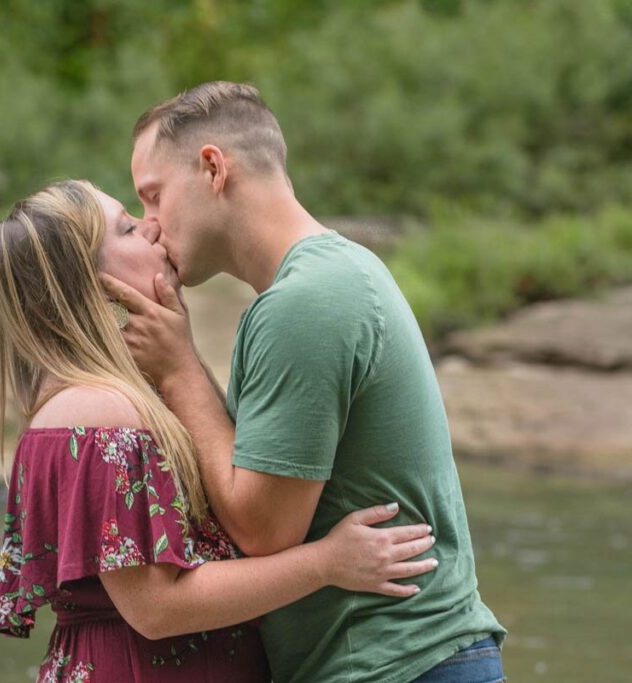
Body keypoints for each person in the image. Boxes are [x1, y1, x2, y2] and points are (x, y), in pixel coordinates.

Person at [100, 81, 507, 683]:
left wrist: (180, 368)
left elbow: (264, 531)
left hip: (395, 665)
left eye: (153, 197)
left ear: (213, 168)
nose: (152, 226)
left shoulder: (305, 304)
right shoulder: (338, 272)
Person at [0, 179, 439, 682]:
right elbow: (156, 608)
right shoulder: (97, 414)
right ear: (92, 283)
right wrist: (328, 562)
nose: (153, 227)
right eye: (129, 228)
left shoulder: (121, 398)